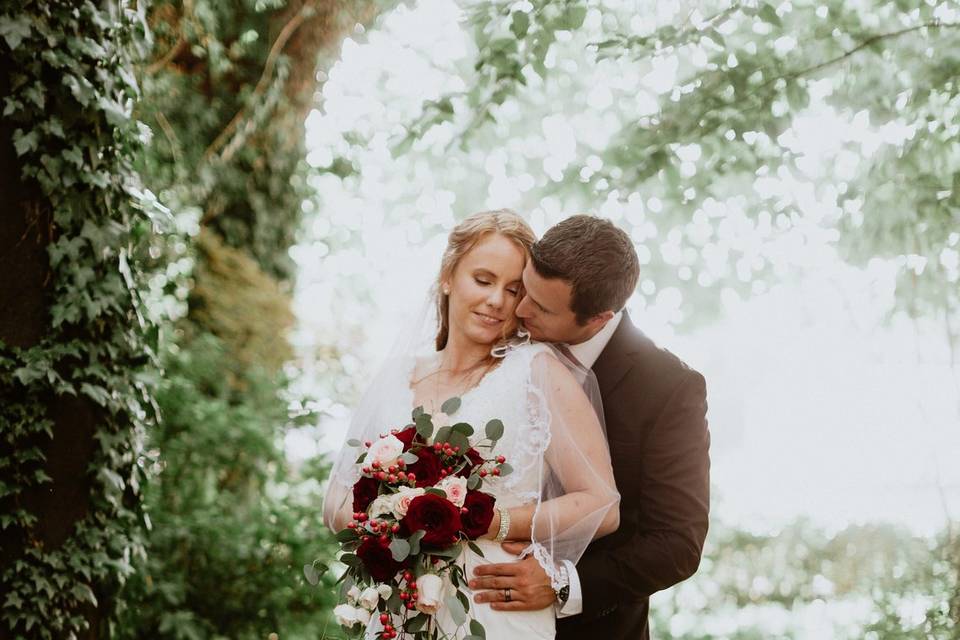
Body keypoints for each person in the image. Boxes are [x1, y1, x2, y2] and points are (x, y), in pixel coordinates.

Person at [322, 210, 620, 639]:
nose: (497, 300)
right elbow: (335, 498)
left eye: (513, 289)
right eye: (483, 280)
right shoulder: (398, 376)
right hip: (398, 612)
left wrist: (490, 520)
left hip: (493, 612)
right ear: (448, 276)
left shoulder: (538, 372)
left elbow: (602, 504)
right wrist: (394, 513)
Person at [468, 214, 711, 640]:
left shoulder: (669, 388)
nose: (519, 309)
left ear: (599, 318)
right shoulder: (498, 337)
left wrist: (563, 583)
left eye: (541, 307)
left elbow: (677, 544)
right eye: (526, 288)